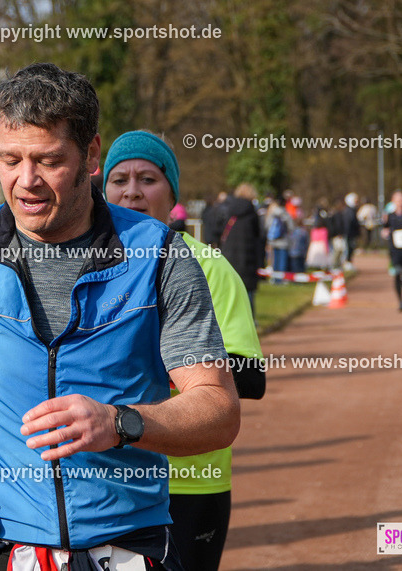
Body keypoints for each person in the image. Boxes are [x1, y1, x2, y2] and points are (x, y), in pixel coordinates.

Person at [0, 63, 240, 569]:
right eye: (9, 160)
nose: (25, 182)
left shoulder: (160, 256)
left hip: (125, 540)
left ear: (91, 155)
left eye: (48, 161)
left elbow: (218, 409)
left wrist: (120, 422)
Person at [103, 130, 264, 571]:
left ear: (172, 192)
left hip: (191, 479)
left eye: (148, 178)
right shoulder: (83, 264)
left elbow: (250, 377)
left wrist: (155, 367)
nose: (132, 190)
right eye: (119, 179)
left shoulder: (208, 264)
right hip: (107, 480)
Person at [219, 183, 264, 314]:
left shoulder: (228, 210)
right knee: (248, 291)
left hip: (229, 254)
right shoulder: (252, 213)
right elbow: (258, 237)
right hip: (247, 256)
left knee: (230, 290)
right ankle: (250, 320)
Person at [265, 197, 294, 283]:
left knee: (275, 260)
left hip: (273, 241)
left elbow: (267, 226)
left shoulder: (272, 213)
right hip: (283, 241)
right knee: (282, 261)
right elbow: (291, 227)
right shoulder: (285, 214)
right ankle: (281, 279)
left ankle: (275, 278)